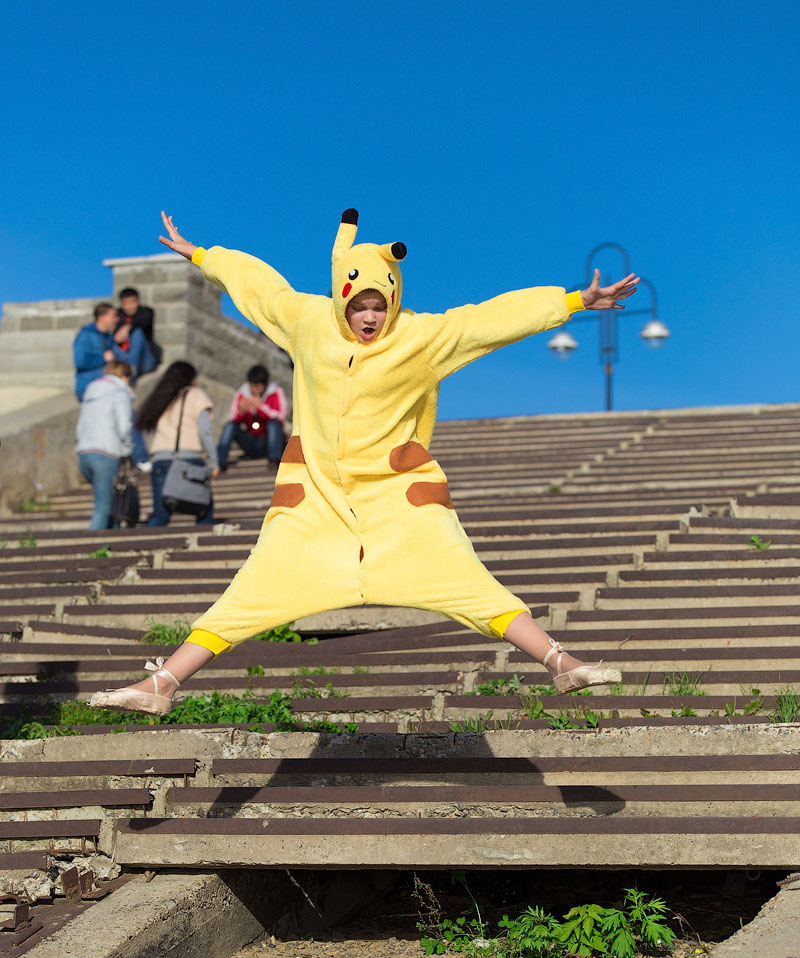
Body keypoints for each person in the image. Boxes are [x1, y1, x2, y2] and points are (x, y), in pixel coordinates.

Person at [90, 208, 635, 715]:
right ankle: (163, 683)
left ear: (394, 300)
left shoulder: (421, 337)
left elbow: (487, 321)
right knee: (254, 587)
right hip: (317, 499)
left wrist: (574, 302)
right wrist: (206, 256)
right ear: (341, 299)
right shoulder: (309, 323)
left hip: (398, 497)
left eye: (380, 305)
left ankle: (559, 662)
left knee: (464, 576)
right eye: (359, 306)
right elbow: (261, 288)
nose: (370, 317)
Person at [135, 361, 220, 527]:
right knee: (204, 509)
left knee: (160, 515)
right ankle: (201, 547)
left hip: (160, 461)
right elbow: (206, 432)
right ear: (191, 379)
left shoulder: (162, 397)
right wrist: (214, 463)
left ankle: (145, 548)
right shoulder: (196, 395)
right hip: (188, 460)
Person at [73, 301, 150, 470]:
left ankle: (130, 458)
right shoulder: (86, 335)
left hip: (108, 386)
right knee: (128, 416)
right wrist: (103, 358)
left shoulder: (109, 337)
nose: (117, 320)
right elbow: (80, 361)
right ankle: (140, 458)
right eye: (114, 316)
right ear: (102, 317)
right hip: (91, 388)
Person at [75, 359, 134, 530]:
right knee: (103, 508)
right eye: (129, 377)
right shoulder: (119, 392)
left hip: (85, 453)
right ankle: (90, 550)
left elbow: (80, 426)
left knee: (108, 503)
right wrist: (128, 449)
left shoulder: (90, 392)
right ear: (123, 376)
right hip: (107, 452)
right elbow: (125, 426)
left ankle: (110, 543)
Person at [217, 364, 288, 470]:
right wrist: (240, 412)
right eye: (252, 386)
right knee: (230, 426)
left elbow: (280, 417)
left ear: (265, 384)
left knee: (273, 423)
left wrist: (261, 408)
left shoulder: (276, 392)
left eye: (258, 386)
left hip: (268, 440)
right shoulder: (241, 393)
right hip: (251, 440)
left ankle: (274, 458)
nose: (255, 390)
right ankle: (219, 461)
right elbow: (231, 418)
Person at [115, 287, 162, 380]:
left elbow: (143, 321)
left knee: (137, 333)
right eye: (126, 303)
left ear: (138, 302)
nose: (129, 306)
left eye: (132, 302)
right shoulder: (117, 316)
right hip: (124, 358)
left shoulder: (146, 312)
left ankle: (131, 372)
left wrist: (127, 327)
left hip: (145, 361)